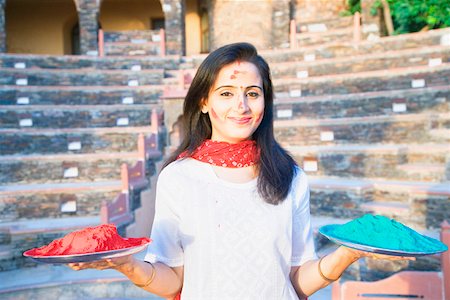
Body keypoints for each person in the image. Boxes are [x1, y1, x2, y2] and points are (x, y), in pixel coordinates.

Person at [69, 42, 413, 299]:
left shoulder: (290, 177)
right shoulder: (179, 177)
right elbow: (173, 279)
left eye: (253, 93)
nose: (242, 106)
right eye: (226, 93)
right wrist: (125, 264)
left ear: (266, 101)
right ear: (204, 102)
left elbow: (296, 278)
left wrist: (345, 255)